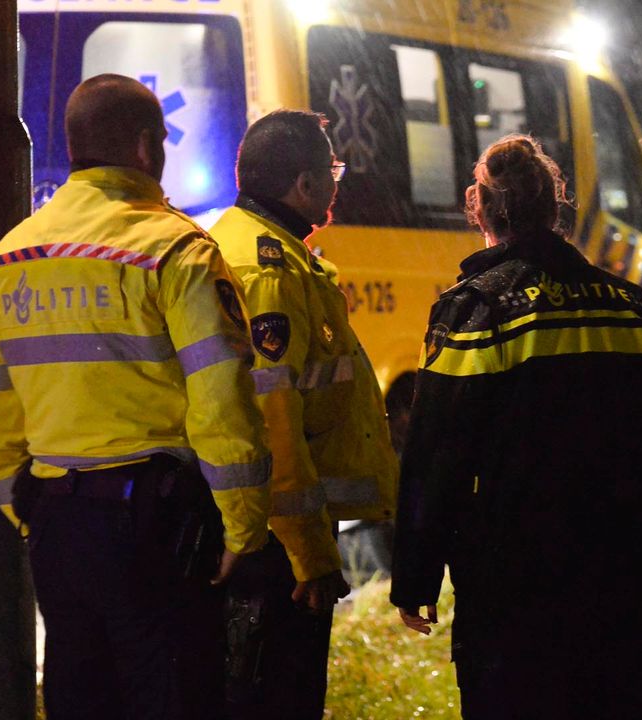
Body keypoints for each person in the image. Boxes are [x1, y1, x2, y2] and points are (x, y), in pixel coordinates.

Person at [0, 74, 272, 720]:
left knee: (80, 699)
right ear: (143, 148)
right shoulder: (176, 249)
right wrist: (243, 525)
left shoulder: (8, 260)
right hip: (158, 528)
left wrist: (31, 510)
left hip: (58, 526)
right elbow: (223, 400)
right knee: (174, 696)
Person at [390, 134, 642, 719]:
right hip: (616, 586)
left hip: (511, 593)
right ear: (555, 209)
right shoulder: (636, 310)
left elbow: (436, 455)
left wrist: (416, 578)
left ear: (479, 208)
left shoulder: (476, 310)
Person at [210, 108, 398, 719]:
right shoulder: (268, 270)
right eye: (331, 168)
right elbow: (275, 420)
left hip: (259, 538)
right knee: (280, 698)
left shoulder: (267, 249)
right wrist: (312, 558)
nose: (338, 181)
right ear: (303, 183)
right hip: (273, 551)